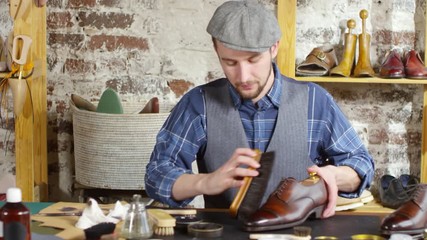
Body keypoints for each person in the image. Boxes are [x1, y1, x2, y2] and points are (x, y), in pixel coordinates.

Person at [145, 0, 374, 219]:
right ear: (216, 51)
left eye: (253, 60)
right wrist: (206, 182)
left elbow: (361, 164)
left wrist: (333, 176)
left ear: (274, 48)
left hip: (300, 233)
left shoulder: (315, 101)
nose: (243, 76)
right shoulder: (198, 104)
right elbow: (157, 174)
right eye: (230, 63)